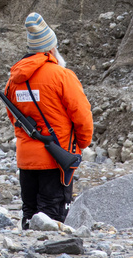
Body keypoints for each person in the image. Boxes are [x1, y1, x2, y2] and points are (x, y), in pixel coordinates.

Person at [7, 12, 93, 229]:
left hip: (26, 159)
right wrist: (81, 144)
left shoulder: (14, 80)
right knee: (53, 217)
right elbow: (82, 115)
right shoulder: (62, 76)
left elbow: (14, 118)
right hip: (56, 158)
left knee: (29, 214)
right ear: (51, 48)